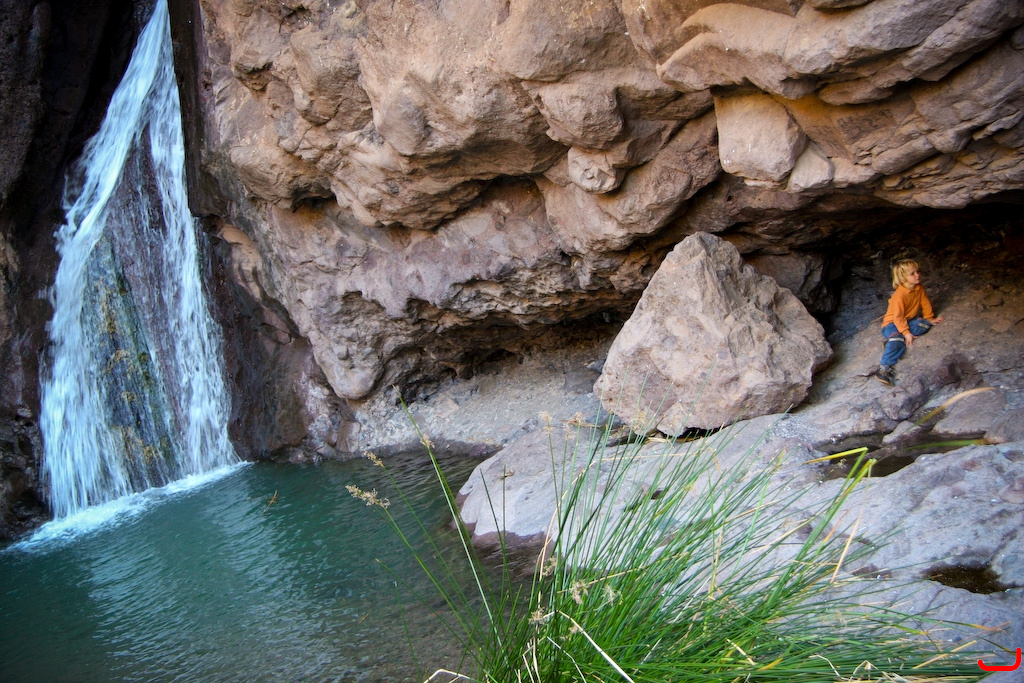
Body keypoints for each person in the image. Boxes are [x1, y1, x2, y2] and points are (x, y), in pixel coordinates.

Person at [875, 259, 944, 386]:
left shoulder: (919, 288)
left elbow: (925, 302)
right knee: (898, 337)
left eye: (918, 271)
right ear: (902, 278)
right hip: (891, 324)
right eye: (912, 273)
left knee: (924, 324)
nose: (917, 275)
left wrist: (929, 318)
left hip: (907, 321)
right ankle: (884, 369)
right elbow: (898, 317)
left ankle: (893, 344)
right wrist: (906, 333)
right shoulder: (899, 295)